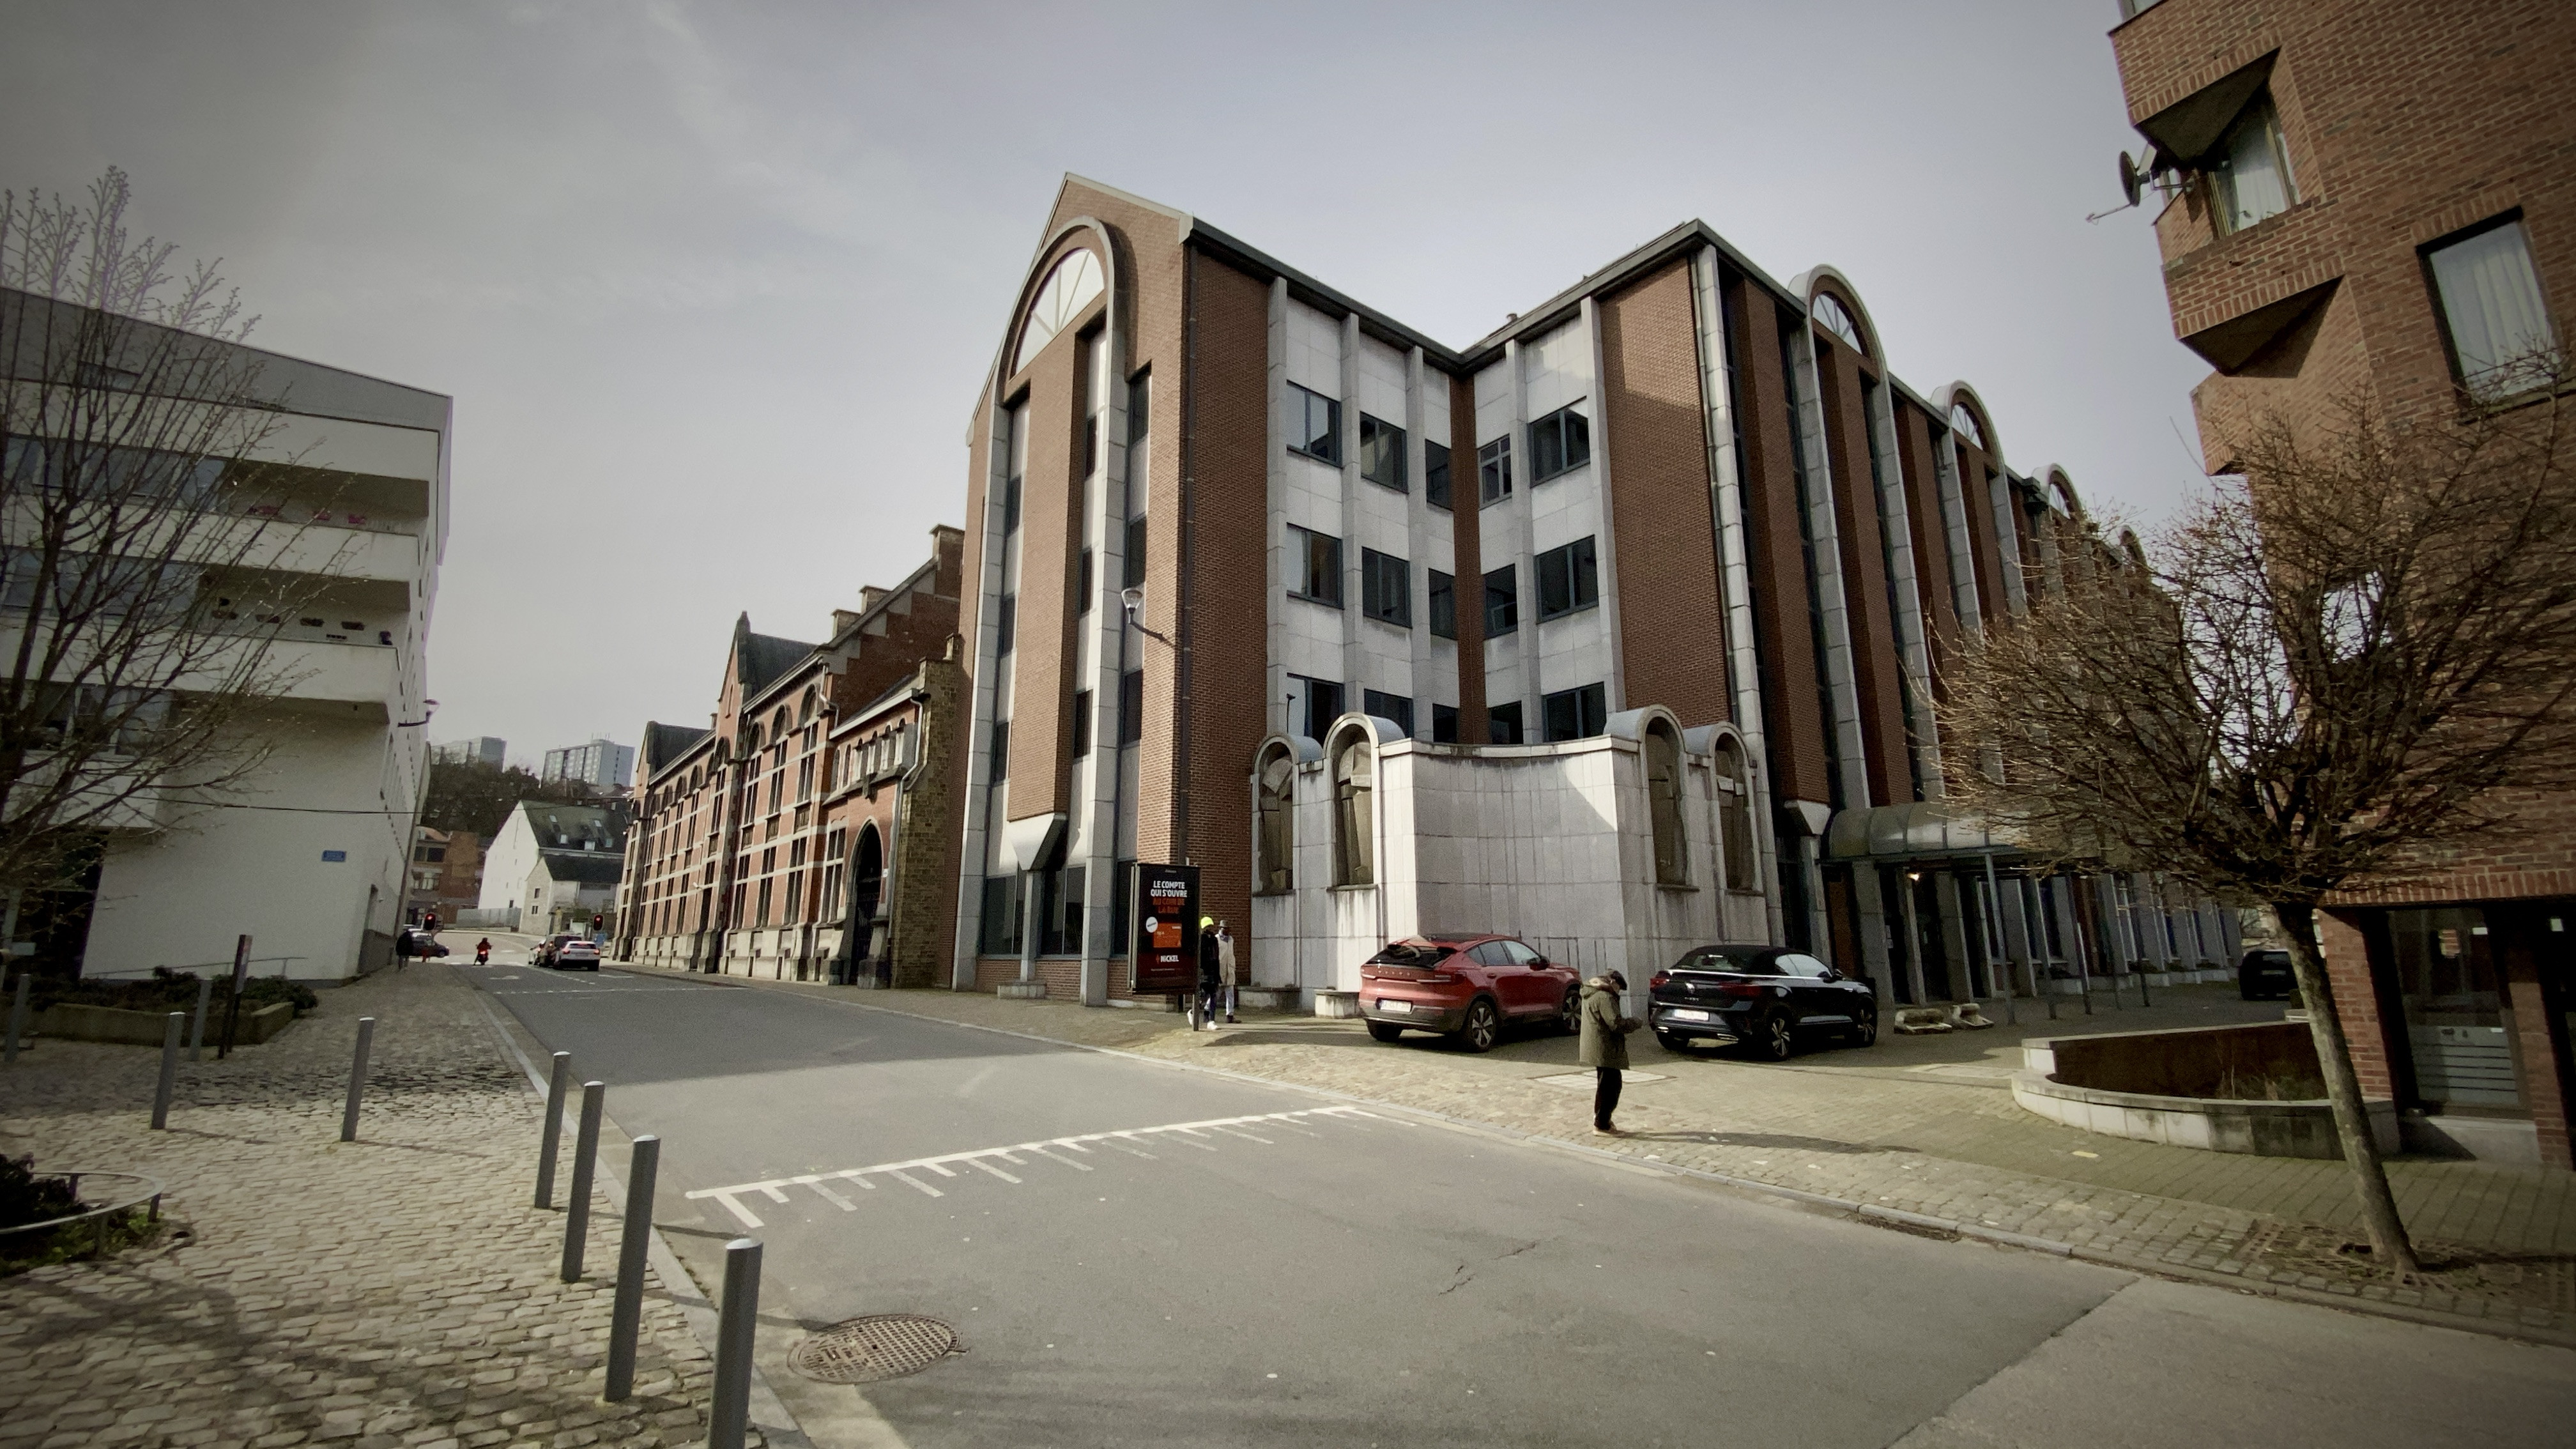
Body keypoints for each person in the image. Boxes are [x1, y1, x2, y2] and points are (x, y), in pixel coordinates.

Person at [1579, 970, 1642, 1135]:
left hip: (1596, 1047)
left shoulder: (1591, 992)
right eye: (1619, 988)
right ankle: (1602, 1124)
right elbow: (1616, 1024)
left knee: (1605, 1084)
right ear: (1612, 982)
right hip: (1605, 1047)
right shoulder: (1605, 997)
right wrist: (1635, 1022)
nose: (1618, 991)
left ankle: (1601, 1119)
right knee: (1611, 1086)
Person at [1196, 917, 1223, 1031]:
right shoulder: (1201, 940)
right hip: (1205, 973)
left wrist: (1218, 975)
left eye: (1211, 926)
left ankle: (1211, 1020)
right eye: (1208, 927)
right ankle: (1194, 1012)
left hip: (1213, 973)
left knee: (1213, 997)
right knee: (1203, 997)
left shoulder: (1214, 940)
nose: (1210, 928)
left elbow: (1216, 958)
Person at [1216, 919, 1238, 1023]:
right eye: (1225, 928)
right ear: (1221, 929)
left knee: (1230, 994)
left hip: (1230, 970)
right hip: (1220, 970)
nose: (1228, 931)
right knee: (1216, 994)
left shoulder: (1231, 940)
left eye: (1229, 929)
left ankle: (1230, 1015)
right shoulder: (1216, 939)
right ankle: (1207, 1011)